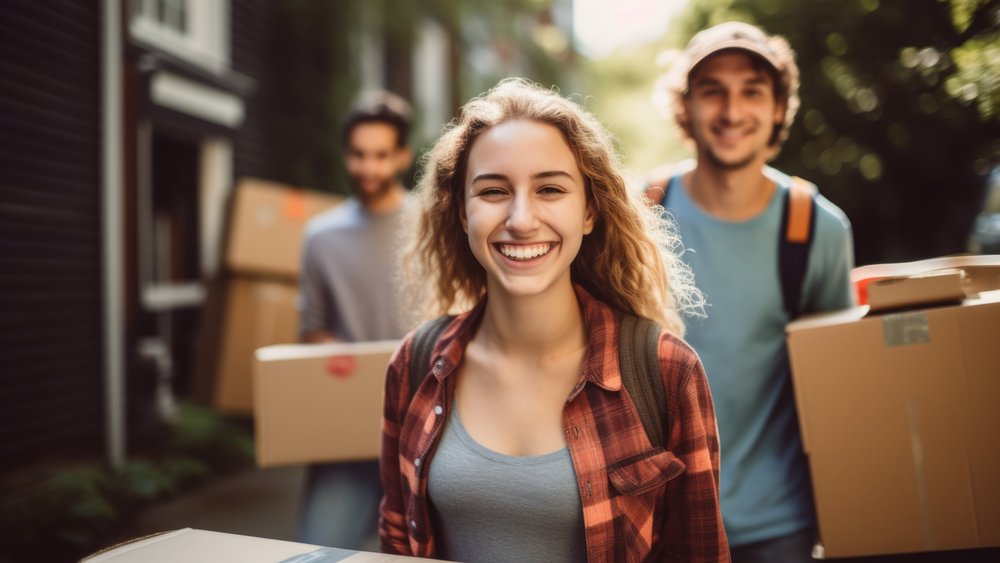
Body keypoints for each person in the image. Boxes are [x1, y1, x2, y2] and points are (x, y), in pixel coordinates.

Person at [378, 78, 729, 562]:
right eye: (494, 191)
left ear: (589, 210)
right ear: (462, 212)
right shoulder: (416, 364)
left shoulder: (666, 371)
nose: (521, 218)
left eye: (549, 189)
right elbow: (396, 542)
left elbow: (699, 553)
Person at [646, 22, 855, 563]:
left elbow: (837, 389)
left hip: (779, 523)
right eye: (712, 89)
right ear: (685, 105)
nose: (732, 111)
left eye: (752, 91)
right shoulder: (643, 215)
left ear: (779, 107)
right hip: (661, 519)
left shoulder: (815, 228)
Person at [297, 90, 413, 549]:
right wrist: (330, 350)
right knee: (317, 550)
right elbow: (313, 325)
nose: (370, 168)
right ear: (347, 154)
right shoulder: (320, 236)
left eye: (382, 155)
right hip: (346, 425)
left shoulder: (433, 225)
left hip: (423, 428)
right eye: (360, 155)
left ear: (402, 155)